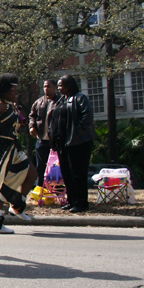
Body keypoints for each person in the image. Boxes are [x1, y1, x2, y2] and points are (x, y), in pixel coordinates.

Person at [0, 74, 38, 234]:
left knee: (32, 173)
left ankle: (17, 205)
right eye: (13, 90)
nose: (16, 93)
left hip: (13, 146)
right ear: (4, 92)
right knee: (0, 183)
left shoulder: (12, 106)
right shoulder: (0, 105)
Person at [56, 75, 96, 213]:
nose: (59, 88)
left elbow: (87, 116)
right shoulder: (61, 100)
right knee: (66, 173)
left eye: (61, 85)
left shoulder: (80, 98)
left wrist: (77, 132)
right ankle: (71, 200)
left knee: (78, 173)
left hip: (79, 142)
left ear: (69, 85)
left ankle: (81, 203)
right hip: (64, 143)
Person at [29, 79, 61, 188]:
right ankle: (40, 187)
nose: (46, 89)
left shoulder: (60, 101)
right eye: (44, 86)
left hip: (56, 140)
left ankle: (58, 188)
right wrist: (32, 127)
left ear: (55, 88)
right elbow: (32, 116)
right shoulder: (39, 102)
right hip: (42, 139)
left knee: (57, 166)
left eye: (48, 86)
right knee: (41, 165)